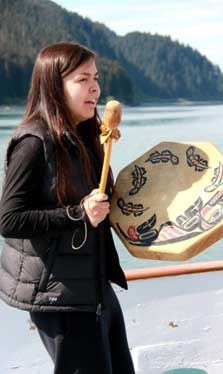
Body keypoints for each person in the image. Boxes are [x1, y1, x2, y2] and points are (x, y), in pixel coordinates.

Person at [0, 42, 135, 374]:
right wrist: (78, 214)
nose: (95, 88)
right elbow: (9, 219)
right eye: (82, 79)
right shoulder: (33, 142)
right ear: (54, 86)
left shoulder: (88, 138)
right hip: (59, 296)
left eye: (97, 78)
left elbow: (105, 205)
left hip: (95, 287)